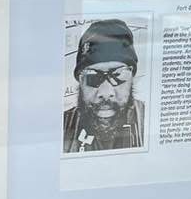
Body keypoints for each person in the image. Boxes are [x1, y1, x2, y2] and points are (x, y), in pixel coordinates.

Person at [62, 18, 144, 153]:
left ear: (131, 78)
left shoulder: (147, 120)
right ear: (80, 82)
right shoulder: (63, 126)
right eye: (92, 77)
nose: (106, 92)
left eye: (118, 75)